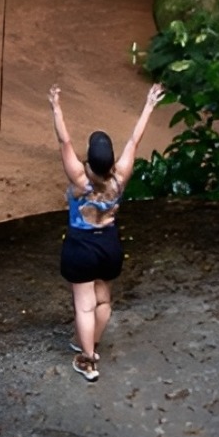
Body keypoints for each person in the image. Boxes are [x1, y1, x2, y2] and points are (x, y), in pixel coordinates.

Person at [49, 80, 165, 381]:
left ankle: (87, 360)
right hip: (110, 245)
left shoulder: (79, 179)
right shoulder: (120, 177)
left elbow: (64, 142)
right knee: (103, 301)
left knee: (84, 306)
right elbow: (134, 142)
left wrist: (56, 106)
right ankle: (90, 343)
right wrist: (149, 105)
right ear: (111, 159)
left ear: (90, 157)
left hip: (81, 246)